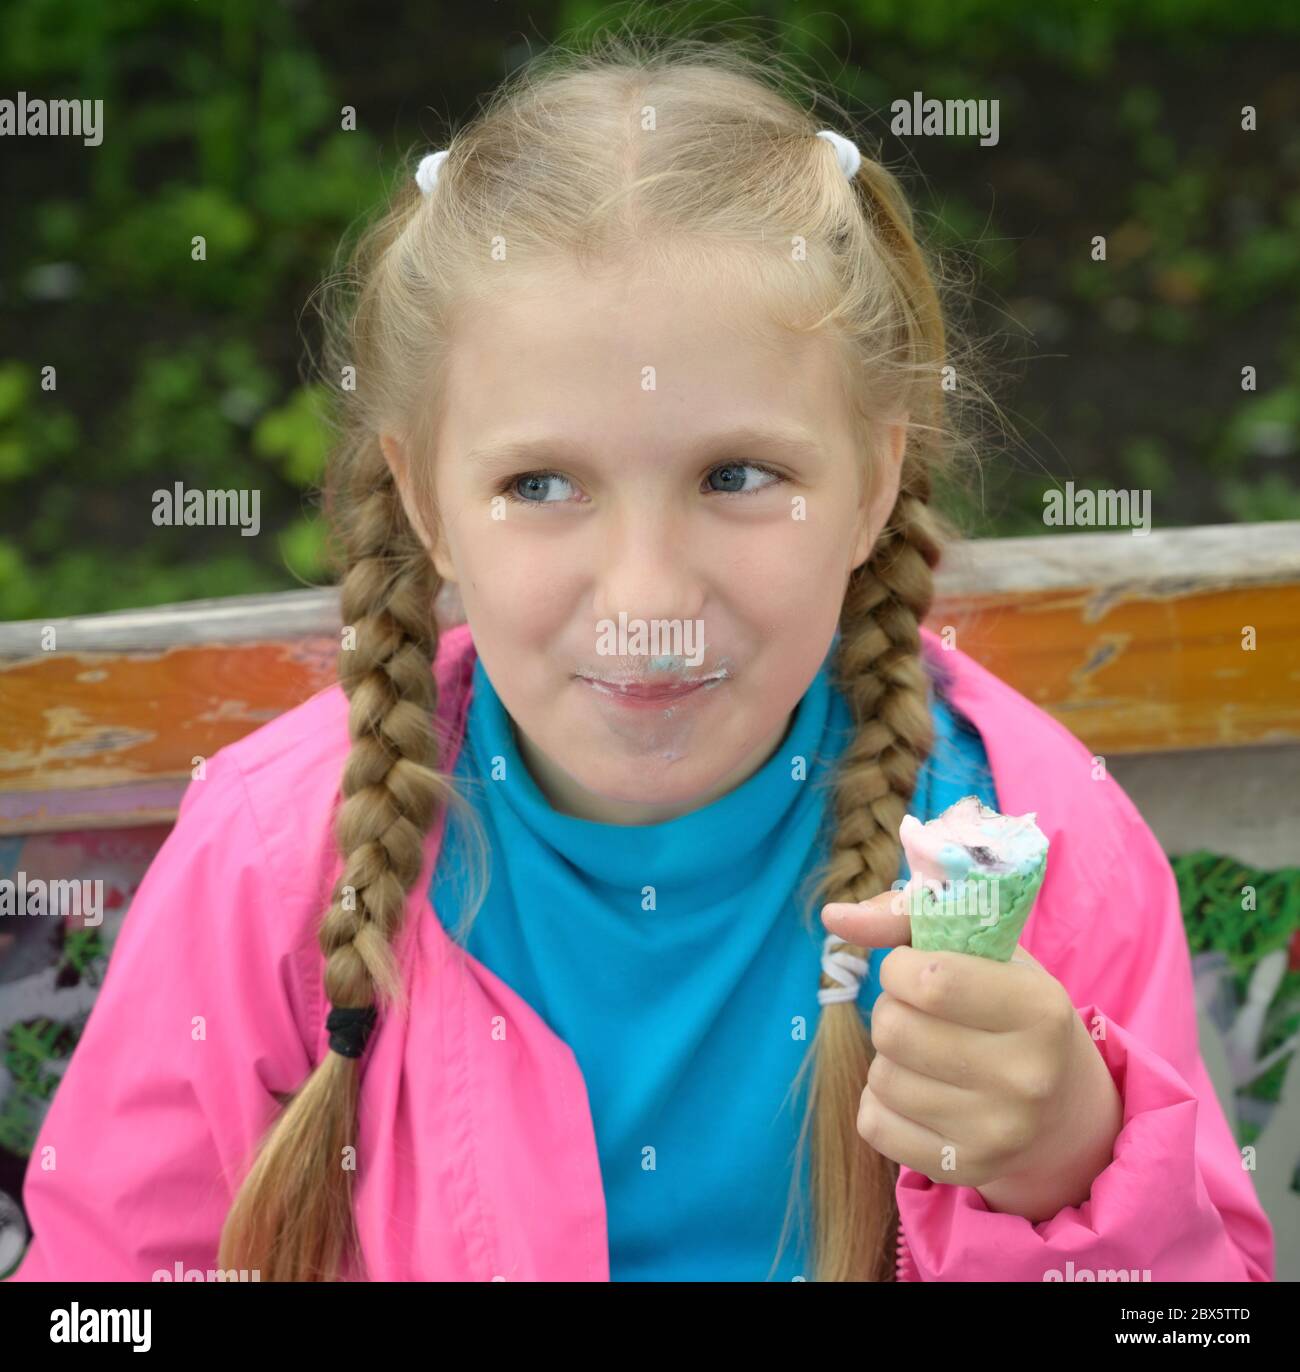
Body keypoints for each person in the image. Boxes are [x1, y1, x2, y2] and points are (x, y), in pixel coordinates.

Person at [6, 30, 1274, 1282]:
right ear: (428, 502)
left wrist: (1068, 1165)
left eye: (738, 475)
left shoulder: (1027, 849)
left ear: (877, 477)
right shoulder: (273, 860)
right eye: (542, 481)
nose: (649, 595)